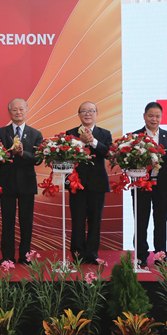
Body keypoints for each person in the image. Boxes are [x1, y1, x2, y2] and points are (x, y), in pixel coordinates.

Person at [0, 98, 43, 265]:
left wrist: (23, 154)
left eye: (21, 109)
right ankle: (7, 256)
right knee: (7, 220)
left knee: (26, 221)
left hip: (27, 183)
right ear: (9, 112)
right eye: (14, 110)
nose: (18, 112)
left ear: (26, 111)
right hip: (7, 182)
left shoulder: (36, 134)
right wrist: (11, 153)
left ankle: (25, 255)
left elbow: (38, 159)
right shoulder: (0, 132)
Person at [132, 102, 167, 268]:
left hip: (162, 186)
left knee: (161, 222)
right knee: (141, 222)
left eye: (157, 116)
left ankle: (161, 256)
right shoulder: (135, 136)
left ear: (162, 117)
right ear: (144, 116)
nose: (154, 119)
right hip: (141, 185)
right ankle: (140, 256)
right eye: (151, 115)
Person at [65, 101, 112, 264]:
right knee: (77, 219)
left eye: (91, 111)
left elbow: (108, 153)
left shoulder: (104, 133)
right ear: (79, 115)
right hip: (76, 183)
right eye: (84, 111)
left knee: (95, 220)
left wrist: (93, 142)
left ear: (96, 114)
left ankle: (92, 254)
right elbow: (67, 155)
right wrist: (82, 142)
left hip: (97, 183)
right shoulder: (70, 133)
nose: (87, 113)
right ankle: (78, 254)